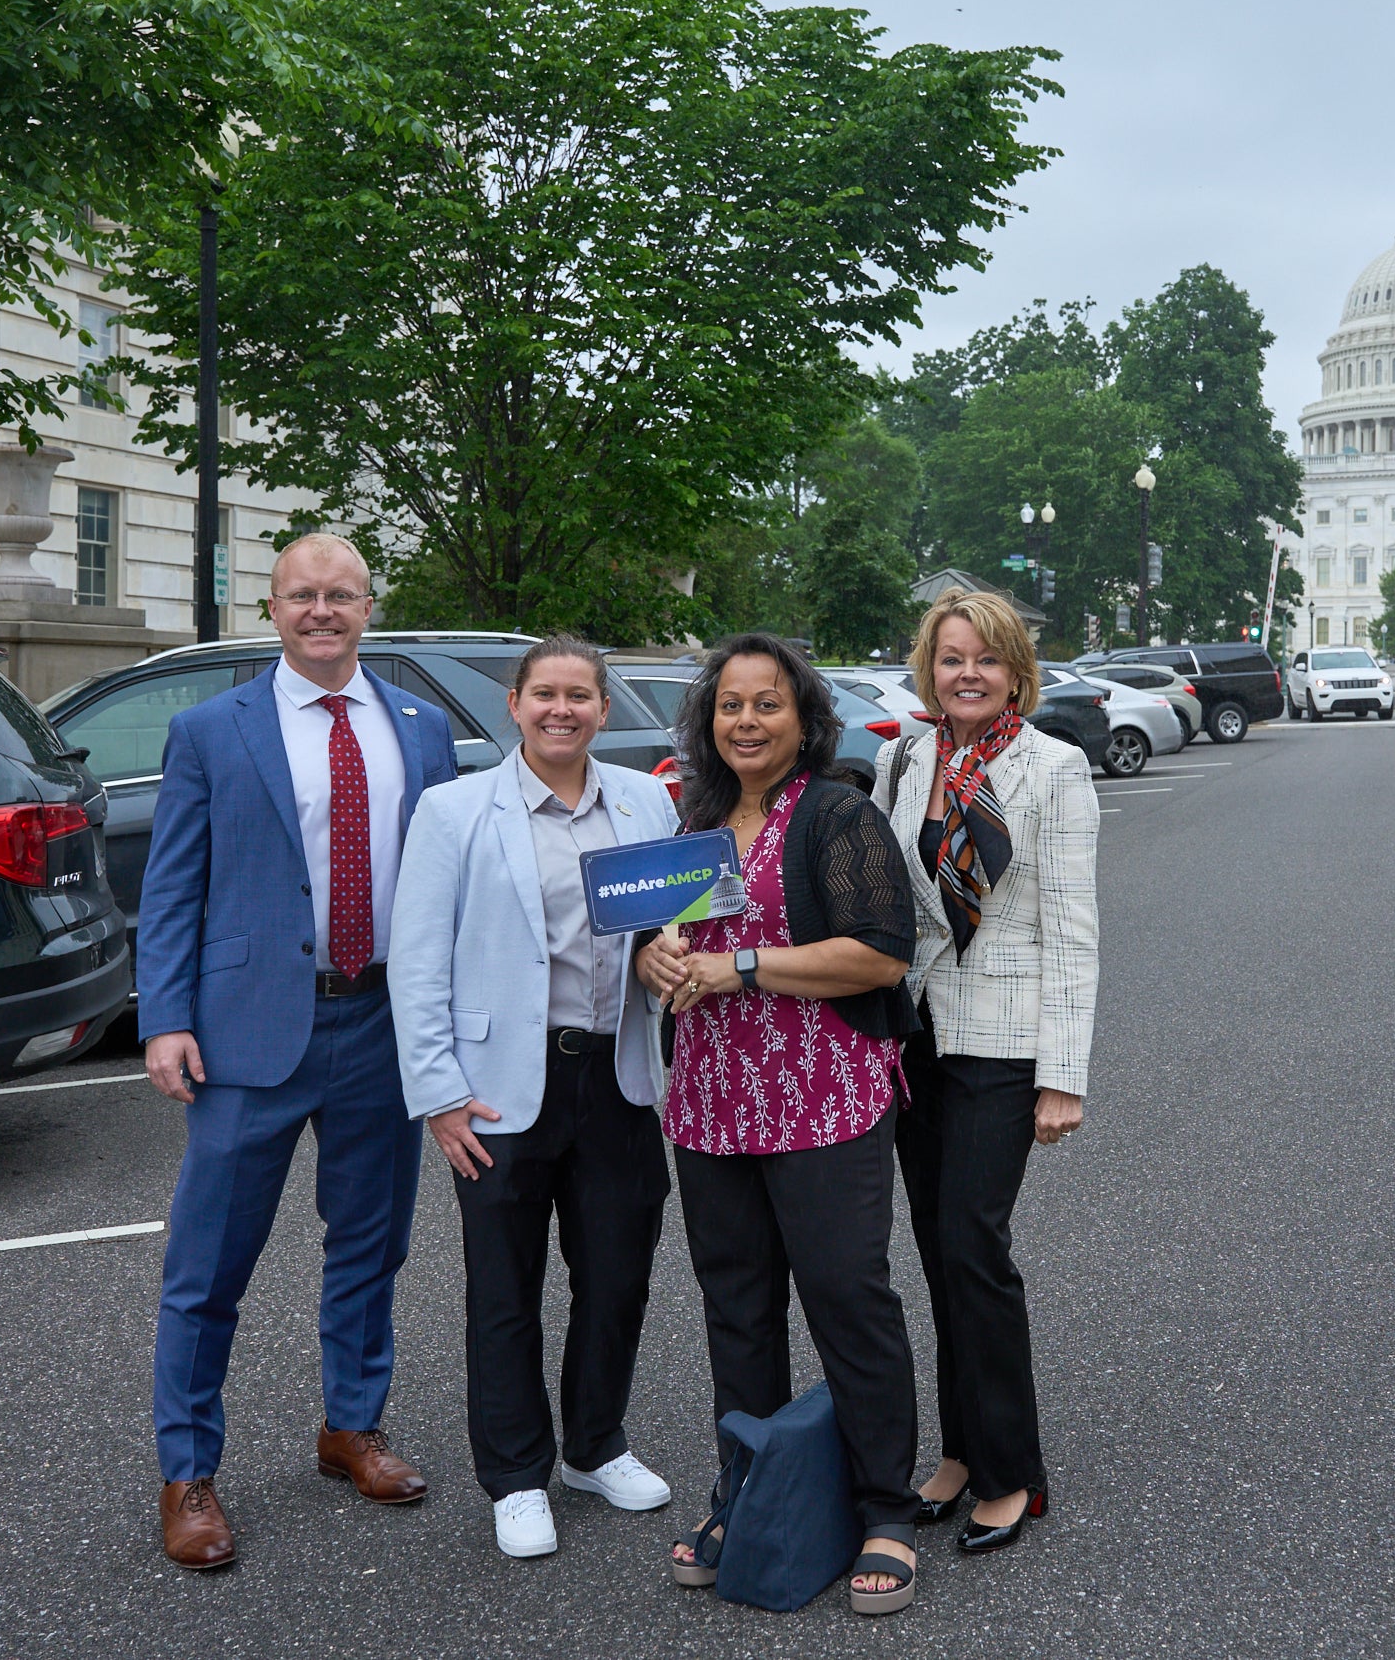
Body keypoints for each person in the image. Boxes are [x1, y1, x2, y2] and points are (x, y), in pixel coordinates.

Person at [138, 534, 459, 1570]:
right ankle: (188, 1471)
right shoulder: (209, 728)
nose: (322, 611)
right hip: (246, 1032)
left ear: (370, 607)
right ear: (271, 607)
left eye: (341, 595)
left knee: (371, 1244)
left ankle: (350, 1427)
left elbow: (450, 888)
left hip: (381, 1025)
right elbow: (173, 886)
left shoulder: (420, 727)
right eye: (301, 596)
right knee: (208, 1264)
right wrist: (166, 1017)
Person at [634, 635, 925, 1616]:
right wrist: (659, 964)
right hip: (714, 1104)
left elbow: (881, 954)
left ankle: (884, 1502)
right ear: (707, 720)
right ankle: (745, 1488)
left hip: (824, 1095)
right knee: (738, 1305)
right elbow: (666, 940)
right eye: (729, 705)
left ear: (802, 717)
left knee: (847, 1295)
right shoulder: (699, 816)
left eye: (766, 704)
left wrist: (741, 966)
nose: (746, 721)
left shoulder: (837, 812)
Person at [388, 637, 679, 1561]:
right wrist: (438, 1094)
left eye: (581, 696)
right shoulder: (454, 809)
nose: (563, 709)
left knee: (616, 1276)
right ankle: (517, 1474)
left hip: (617, 1075)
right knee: (504, 1288)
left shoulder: (645, 799)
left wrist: (667, 954)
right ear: (513, 706)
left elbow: (666, 928)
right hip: (500, 1087)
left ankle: (595, 1446)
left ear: (602, 708)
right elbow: (419, 958)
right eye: (545, 694)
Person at [873, 588, 1098, 1555]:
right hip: (915, 1035)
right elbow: (886, 895)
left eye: (987, 659)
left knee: (974, 1245)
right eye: (951, 657)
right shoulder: (906, 756)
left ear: (1016, 671)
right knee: (935, 1250)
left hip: (1004, 1044)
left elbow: (1072, 932)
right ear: (930, 666)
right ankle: (958, 1450)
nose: (967, 674)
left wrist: (1065, 1074)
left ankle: (1012, 1470)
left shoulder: (1055, 766)